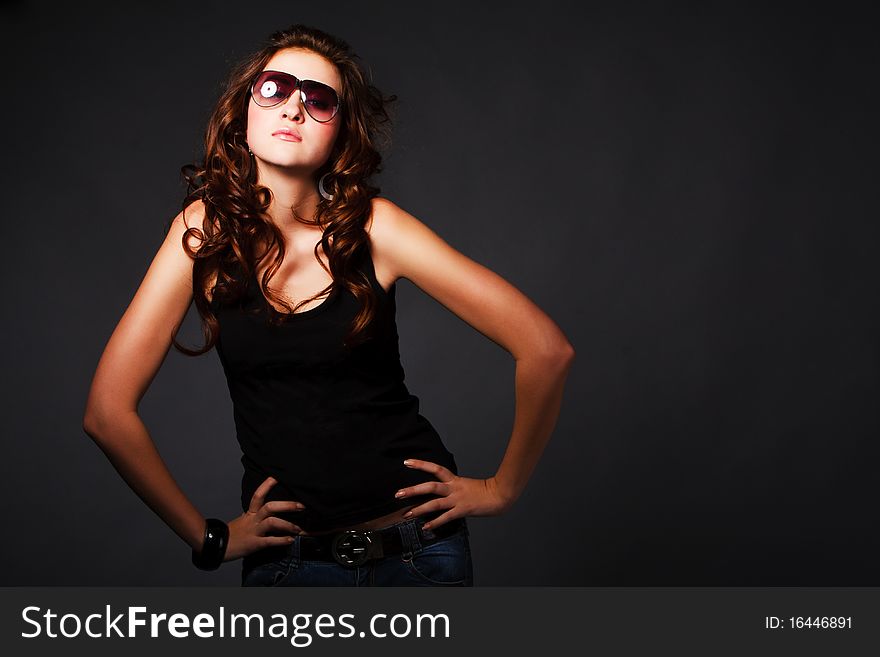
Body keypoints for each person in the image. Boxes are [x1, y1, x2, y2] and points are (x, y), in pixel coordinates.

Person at [82, 24, 575, 587]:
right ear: (243, 112)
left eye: (319, 100)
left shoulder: (377, 229)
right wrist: (209, 537)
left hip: (418, 556)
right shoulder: (201, 235)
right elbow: (107, 412)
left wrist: (501, 489)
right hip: (289, 568)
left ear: (341, 134)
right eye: (275, 88)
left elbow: (545, 349)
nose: (293, 107)